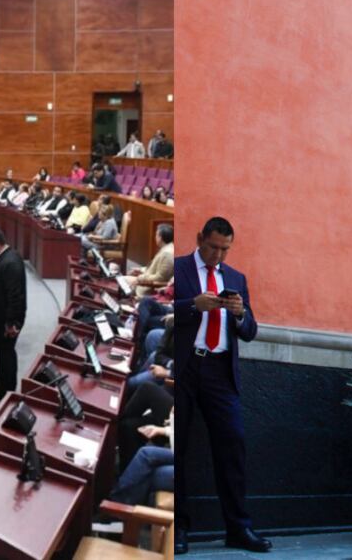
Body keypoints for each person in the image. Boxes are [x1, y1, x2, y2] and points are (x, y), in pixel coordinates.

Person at [172, 217, 269, 554]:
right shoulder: (179, 268)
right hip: (184, 366)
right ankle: (179, 527)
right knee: (177, 446)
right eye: (213, 247)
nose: (217, 255)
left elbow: (250, 331)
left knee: (233, 444)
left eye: (224, 250)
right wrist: (191, 306)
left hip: (219, 370)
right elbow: (161, 311)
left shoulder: (236, 278)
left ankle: (239, 528)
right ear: (200, 239)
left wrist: (241, 314)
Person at [0, 228, 26, 404]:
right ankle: (0, 386)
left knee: (7, 354)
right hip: (1, 316)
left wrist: (12, 323)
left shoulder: (11, 263)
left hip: (9, 319)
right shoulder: (1, 258)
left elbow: (15, 296)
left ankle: (6, 394)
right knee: (2, 353)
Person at [125, 224, 175, 296]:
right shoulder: (167, 248)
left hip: (147, 288)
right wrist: (141, 270)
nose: (155, 237)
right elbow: (155, 268)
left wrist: (141, 278)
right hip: (145, 281)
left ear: (160, 238)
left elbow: (159, 278)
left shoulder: (167, 254)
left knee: (120, 281)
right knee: (121, 280)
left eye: (156, 235)